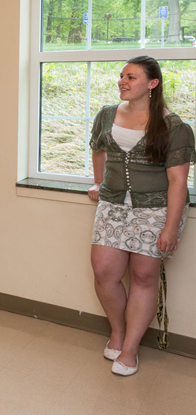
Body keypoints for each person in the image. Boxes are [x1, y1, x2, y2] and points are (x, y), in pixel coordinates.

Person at [89, 55, 195, 377]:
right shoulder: (107, 115)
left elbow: (178, 182)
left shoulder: (174, 127)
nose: (122, 81)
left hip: (155, 210)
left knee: (144, 277)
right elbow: (97, 149)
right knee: (105, 272)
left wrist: (170, 228)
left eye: (131, 77)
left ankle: (131, 349)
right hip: (112, 205)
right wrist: (98, 181)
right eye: (122, 76)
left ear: (152, 84)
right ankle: (117, 332)